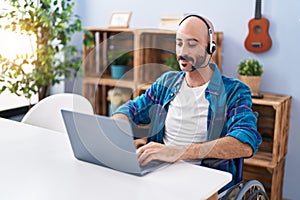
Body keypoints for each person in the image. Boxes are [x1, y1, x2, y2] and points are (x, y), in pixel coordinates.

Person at [111, 14, 262, 193]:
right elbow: (132, 110)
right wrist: (119, 123)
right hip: (158, 175)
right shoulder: (167, 83)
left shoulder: (234, 91)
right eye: (179, 43)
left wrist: (177, 152)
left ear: (210, 47)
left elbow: (244, 143)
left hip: (204, 183)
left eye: (192, 44)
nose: (183, 52)